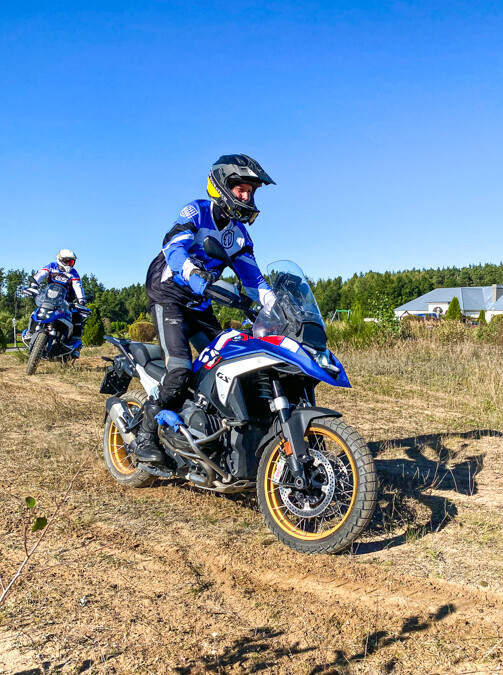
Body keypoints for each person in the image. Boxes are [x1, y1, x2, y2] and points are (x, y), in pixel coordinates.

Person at [134, 154, 276, 462]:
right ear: (221, 186)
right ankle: (146, 436)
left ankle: (205, 427)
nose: (246, 197)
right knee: (180, 368)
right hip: (169, 294)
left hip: (200, 302)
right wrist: (192, 273)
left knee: (230, 361)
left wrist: (276, 305)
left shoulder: (239, 235)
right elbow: (173, 247)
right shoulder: (197, 211)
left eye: (250, 191)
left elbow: (253, 280)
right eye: (241, 189)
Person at [24, 249, 87, 338]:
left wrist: (81, 300)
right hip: (48, 298)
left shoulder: (73, 273)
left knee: (76, 315)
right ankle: (30, 332)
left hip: (65, 301)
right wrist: (34, 285)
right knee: (36, 312)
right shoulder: (51, 266)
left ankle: (75, 338)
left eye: (71, 262)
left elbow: (78, 286)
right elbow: (40, 274)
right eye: (66, 261)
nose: (69, 264)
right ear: (60, 259)